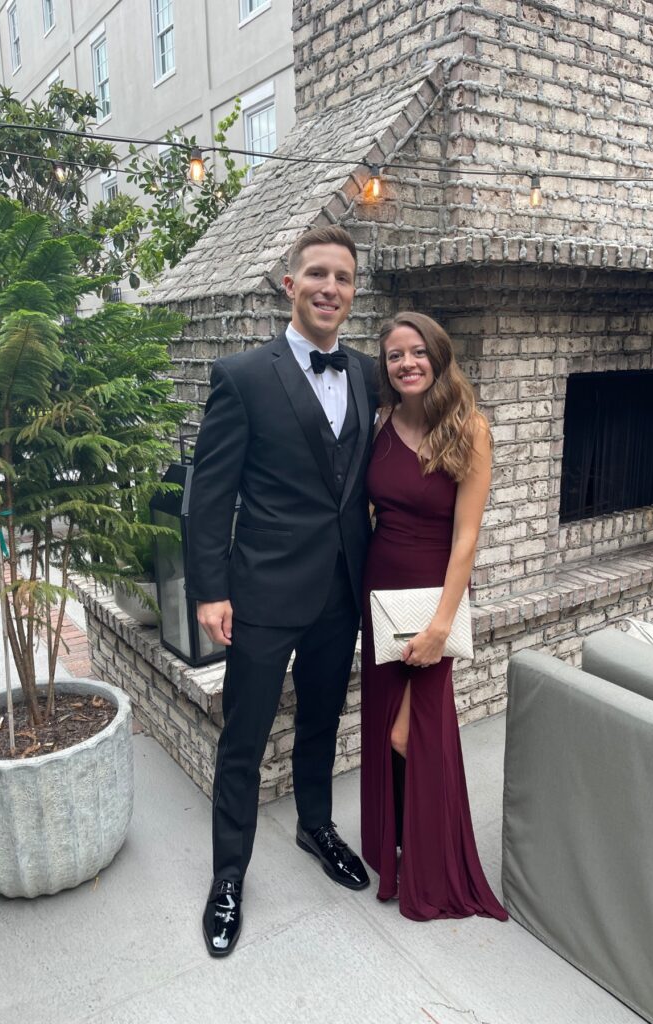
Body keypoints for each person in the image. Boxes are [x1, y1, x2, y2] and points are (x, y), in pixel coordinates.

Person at [187, 225, 378, 957]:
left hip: (339, 588)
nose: (331, 287)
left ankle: (314, 826)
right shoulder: (241, 375)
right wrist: (209, 588)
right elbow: (212, 493)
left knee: (322, 722)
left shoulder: (364, 372)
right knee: (243, 738)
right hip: (263, 591)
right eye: (318, 274)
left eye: (344, 278)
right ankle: (228, 876)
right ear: (289, 283)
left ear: (352, 292)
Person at [360, 311, 508, 923]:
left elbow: (466, 539)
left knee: (410, 731)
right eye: (395, 356)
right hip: (380, 592)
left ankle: (427, 860)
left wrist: (443, 624)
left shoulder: (469, 429)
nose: (407, 364)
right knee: (383, 727)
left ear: (438, 356)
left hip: (433, 600)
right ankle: (392, 849)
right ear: (387, 370)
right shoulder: (380, 424)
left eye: (417, 352)